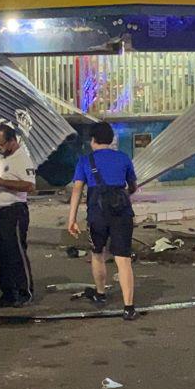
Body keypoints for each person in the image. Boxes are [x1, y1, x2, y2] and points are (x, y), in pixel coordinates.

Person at [65, 122, 140, 320]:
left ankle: (100, 293)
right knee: (123, 259)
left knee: (98, 254)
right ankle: (129, 307)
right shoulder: (123, 158)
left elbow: (77, 190)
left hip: (97, 214)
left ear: (93, 140)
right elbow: (132, 186)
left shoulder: (85, 161)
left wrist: (71, 219)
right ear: (111, 139)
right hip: (122, 212)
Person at [0, 122, 37, 308]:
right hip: (2, 213)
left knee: (17, 253)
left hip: (15, 212)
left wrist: (2, 182)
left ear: (12, 141)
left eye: (2, 144)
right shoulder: (3, 157)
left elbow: (30, 186)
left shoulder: (22, 158)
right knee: (4, 255)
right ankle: (8, 294)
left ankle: (24, 292)